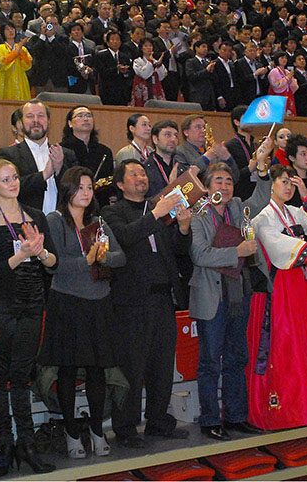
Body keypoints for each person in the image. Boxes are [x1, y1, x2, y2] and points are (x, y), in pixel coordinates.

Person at [0, 160, 57, 475]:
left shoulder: (36, 216)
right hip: (4, 302)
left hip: (34, 300)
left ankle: (27, 443)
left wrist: (40, 253)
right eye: (5, 179)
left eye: (16, 177)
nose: (13, 183)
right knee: (0, 374)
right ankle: (5, 443)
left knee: (23, 374)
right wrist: (21, 253)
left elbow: (52, 263)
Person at [102, 160, 193, 447]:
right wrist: (157, 213)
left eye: (143, 173)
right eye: (134, 174)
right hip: (130, 302)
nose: (141, 178)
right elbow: (126, 237)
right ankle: (126, 428)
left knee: (162, 365)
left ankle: (157, 421)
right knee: (131, 366)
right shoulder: (111, 212)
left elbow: (178, 251)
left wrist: (183, 228)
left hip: (163, 298)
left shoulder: (158, 209)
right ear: (120, 184)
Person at [189, 146, 272, 440]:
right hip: (212, 297)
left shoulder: (237, 207)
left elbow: (262, 198)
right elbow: (199, 254)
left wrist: (262, 171)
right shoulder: (198, 214)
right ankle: (210, 419)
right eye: (218, 182)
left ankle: (236, 416)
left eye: (228, 182)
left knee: (238, 358)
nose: (223, 186)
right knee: (211, 361)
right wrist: (234, 252)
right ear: (207, 187)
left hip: (239, 293)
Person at [40, 167, 124, 458]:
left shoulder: (98, 221)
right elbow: (54, 263)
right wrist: (86, 260)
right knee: (66, 369)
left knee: (97, 370)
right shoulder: (54, 220)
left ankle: (97, 429)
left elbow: (120, 256)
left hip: (99, 301)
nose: (86, 192)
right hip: (68, 302)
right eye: (80, 187)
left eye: (90, 187)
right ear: (68, 190)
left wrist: (103, 256)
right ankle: (71, 432)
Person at [247, 164, 307, 428]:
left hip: (301, 284)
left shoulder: (293, 211)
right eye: (283, 182)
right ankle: (286, 410)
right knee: (287, 343)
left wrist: (305, 192)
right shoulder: (263, 216)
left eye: (290, 182)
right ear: (271, 184)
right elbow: (274, 244)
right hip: (281, 287)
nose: (287, 187)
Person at [0, 100, 77, 213]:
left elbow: (75, 191)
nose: (36, 120)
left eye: (41, 116)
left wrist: (59, 169)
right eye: (30, 116)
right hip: (25, 223)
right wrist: (44, 175)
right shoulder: (8, 154)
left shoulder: (66, 154)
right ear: (21, 122)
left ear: (49, 121)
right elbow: (8, 189)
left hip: (61, 224)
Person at [61, 106, 114, 180]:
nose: (86, 119)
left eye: (89, 116)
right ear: (70, 123)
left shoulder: (104, 151)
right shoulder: (61, 150)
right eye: (80, 116)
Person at [143, 119, 182, 198]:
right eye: (168, 135)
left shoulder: (183, 167)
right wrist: (171, 187)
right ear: (155, 139)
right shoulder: (145, 169)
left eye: (176, 136)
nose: (173, 139)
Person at [0, 23, 33, 100]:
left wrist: (20, 51)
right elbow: (3, 64)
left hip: (20, 79)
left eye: (12, 28)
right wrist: (16, 52)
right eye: (7, 29)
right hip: (6, 80)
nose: (10, 31)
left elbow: (28, 65)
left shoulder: (22, 49)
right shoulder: (0, 48)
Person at [130, 37, 167, 106]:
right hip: (142, 91)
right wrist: (150, 62)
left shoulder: (156, 61)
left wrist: (159, 65)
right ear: (141, 48)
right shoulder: (137, 61)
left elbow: (162, 76)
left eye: (150, 46)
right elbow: (144, 75)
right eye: (146, 46)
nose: (149, 48)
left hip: (155, 89)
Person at [268, 51, 298, 116]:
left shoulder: (287, 71)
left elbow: (295, 87)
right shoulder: (274, 71)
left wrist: (292, 81)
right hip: (278, 96)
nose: (284, 60)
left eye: (285, 58)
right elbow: (275, 85)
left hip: (288, 95)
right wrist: (287, 78)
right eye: (282, 58)